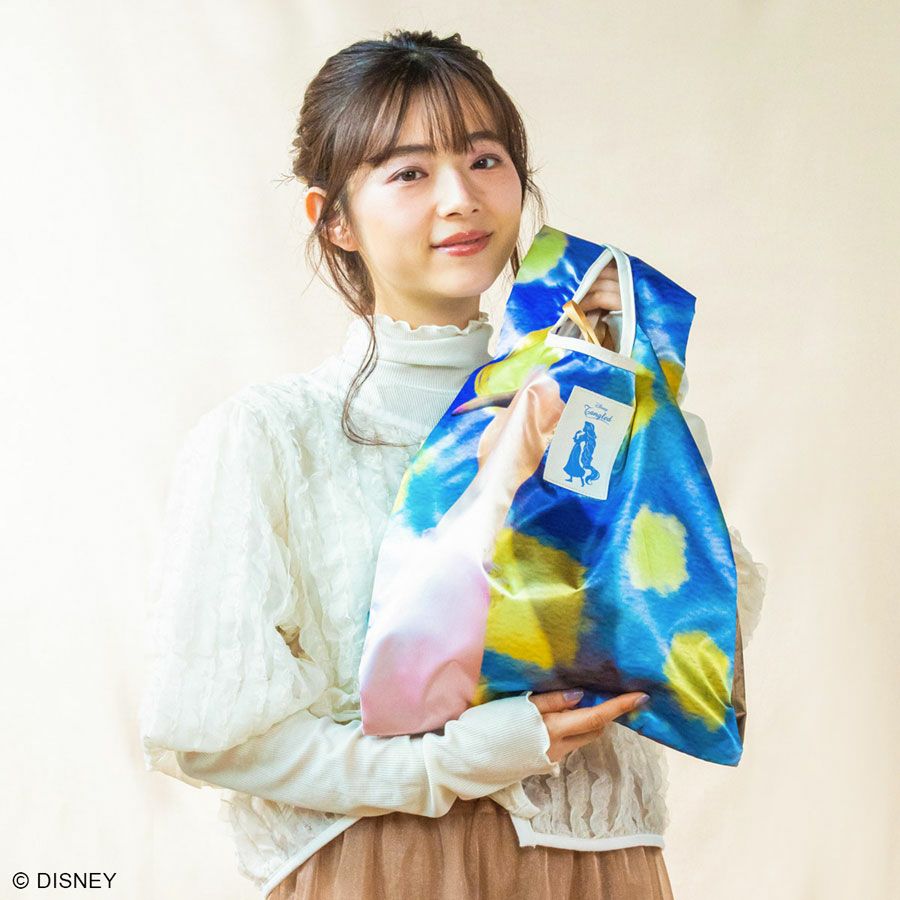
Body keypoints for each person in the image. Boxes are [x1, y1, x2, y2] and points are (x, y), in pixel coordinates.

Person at [138, 29, 767, 900]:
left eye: (484, 160)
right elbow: (219, 736)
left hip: (602, 869)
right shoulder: (270, 438)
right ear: (333, 218)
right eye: (409, 172)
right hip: (381, 869)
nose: (460, 198)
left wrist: (645, 409)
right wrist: (451, 761)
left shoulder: (599, 401)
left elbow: (696, 637)